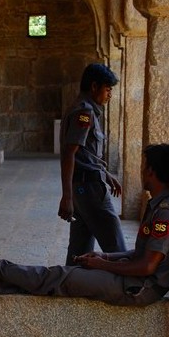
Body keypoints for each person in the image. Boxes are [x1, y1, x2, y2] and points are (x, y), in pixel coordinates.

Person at [0, 143, 169, 306]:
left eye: (143, 165)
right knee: (62, 277)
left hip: (138, 289)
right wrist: (105, 258)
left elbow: (147, 267)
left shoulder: (166, 215)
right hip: (135, 281)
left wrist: (103, 265)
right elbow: (141, 255)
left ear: (150, 171)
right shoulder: (159, 206)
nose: (140, 170)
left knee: (58, 276)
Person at [58, 63, 125, 265]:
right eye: (108, 89)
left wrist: (106, 174)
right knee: (117, 250)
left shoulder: (86, 110)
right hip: (89, 190)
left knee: (79, 250)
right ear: (94, 87)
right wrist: (66, 197)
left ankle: (70, 284)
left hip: (84, 187)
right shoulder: (84, 113)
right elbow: (70, 154)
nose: (110, 95)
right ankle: (129, 290)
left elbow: (86, 155)